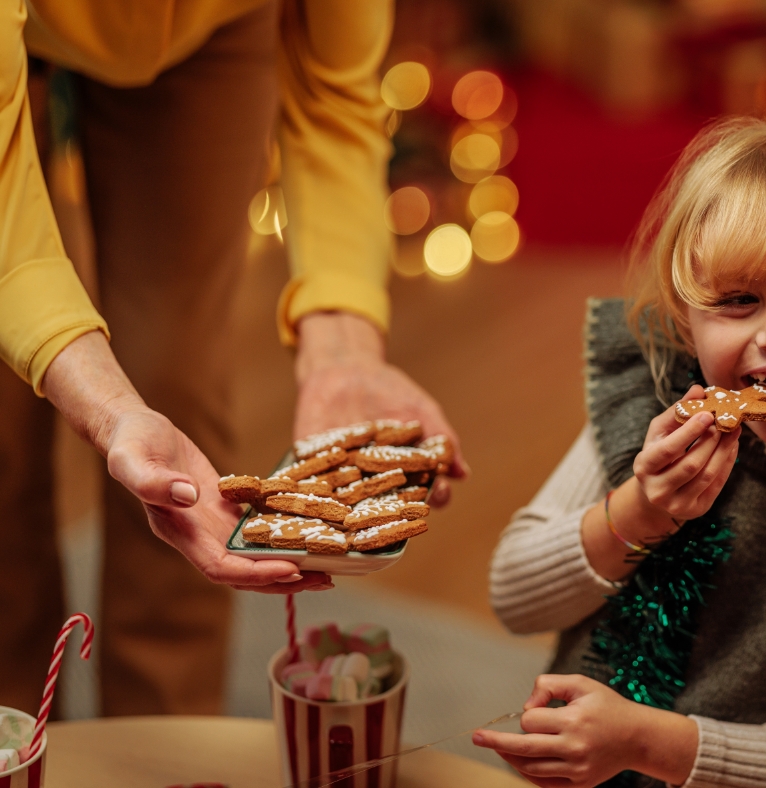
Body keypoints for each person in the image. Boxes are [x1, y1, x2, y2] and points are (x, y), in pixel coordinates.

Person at [0, 1, 466, 716]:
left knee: (173, 397)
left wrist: (343, 347)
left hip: (215, 29)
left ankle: (168, 741)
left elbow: (337, 98)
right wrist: (106, 408)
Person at [474, 118, 766, 788]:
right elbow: (513, 598)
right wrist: (637, 512)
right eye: (738, 300)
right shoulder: (657, 402)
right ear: (684, 318)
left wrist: (645, 742)